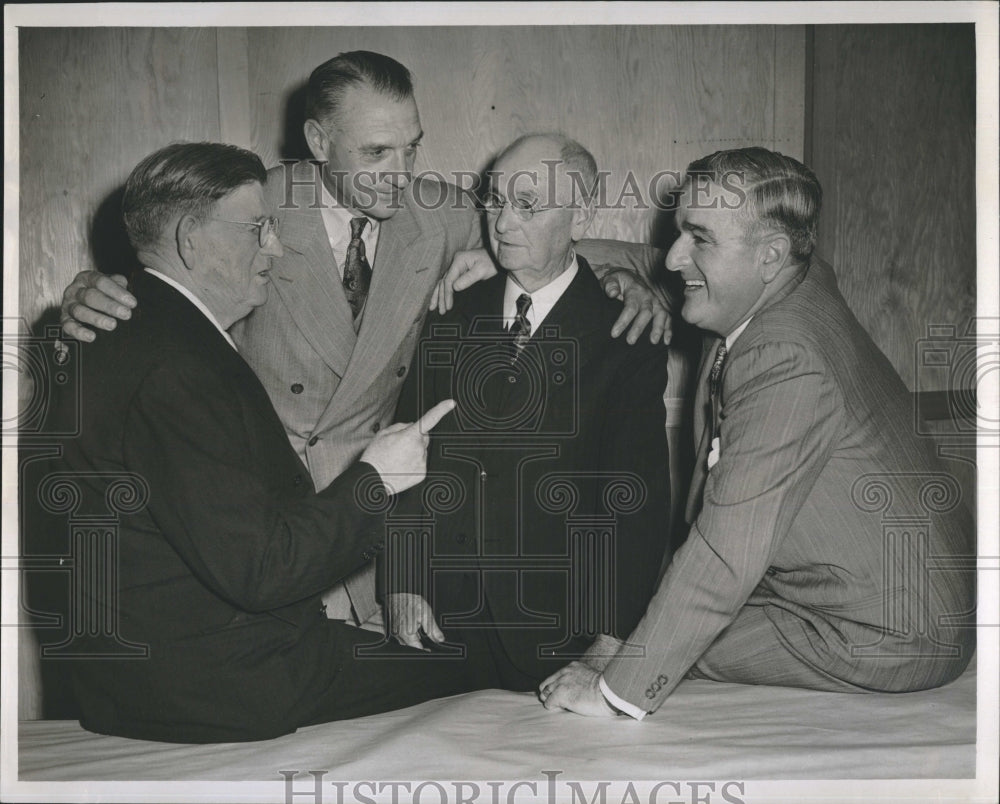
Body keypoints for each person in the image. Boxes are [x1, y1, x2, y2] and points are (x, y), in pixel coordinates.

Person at [57, 51, 671, 628]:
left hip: (381, 520)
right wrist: (91, 289)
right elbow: (166, 267)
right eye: (376, 151)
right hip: (265, 523)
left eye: (412, 148)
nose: (399, 176)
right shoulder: (253, 202)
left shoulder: (437, 211)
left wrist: (629, 282)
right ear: (319, 142)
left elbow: (550, 238)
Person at [53, 142, 480, 743]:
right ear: (189, 241)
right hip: (227, 684)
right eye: (258, 229)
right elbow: (262, 571)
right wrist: (377, 478)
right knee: (478, 661)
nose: (275, 249)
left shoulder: (134, 329)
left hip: (137, 685)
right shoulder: (180, 365)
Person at [539, 147, 976, 718]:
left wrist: (614, 693)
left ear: (770, 255)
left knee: (627, 642)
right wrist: (520, 263)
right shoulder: (789, 277)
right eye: (680, 232)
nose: (673, 259)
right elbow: (643, 258)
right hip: (846, 591)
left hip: (885, 631)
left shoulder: (788, 357)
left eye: (699, 239)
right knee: (629, 624)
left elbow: (725, 553)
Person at [380, 134, 673, 691]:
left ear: (581, 214)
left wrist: (606, 647)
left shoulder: (625, 336)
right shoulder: (450, 311)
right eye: (494, 202)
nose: (503, 224)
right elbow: (405, 456)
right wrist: (402, 582)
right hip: (439, 630)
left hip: (559, 642)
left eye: (529, 206)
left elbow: (634, 504)